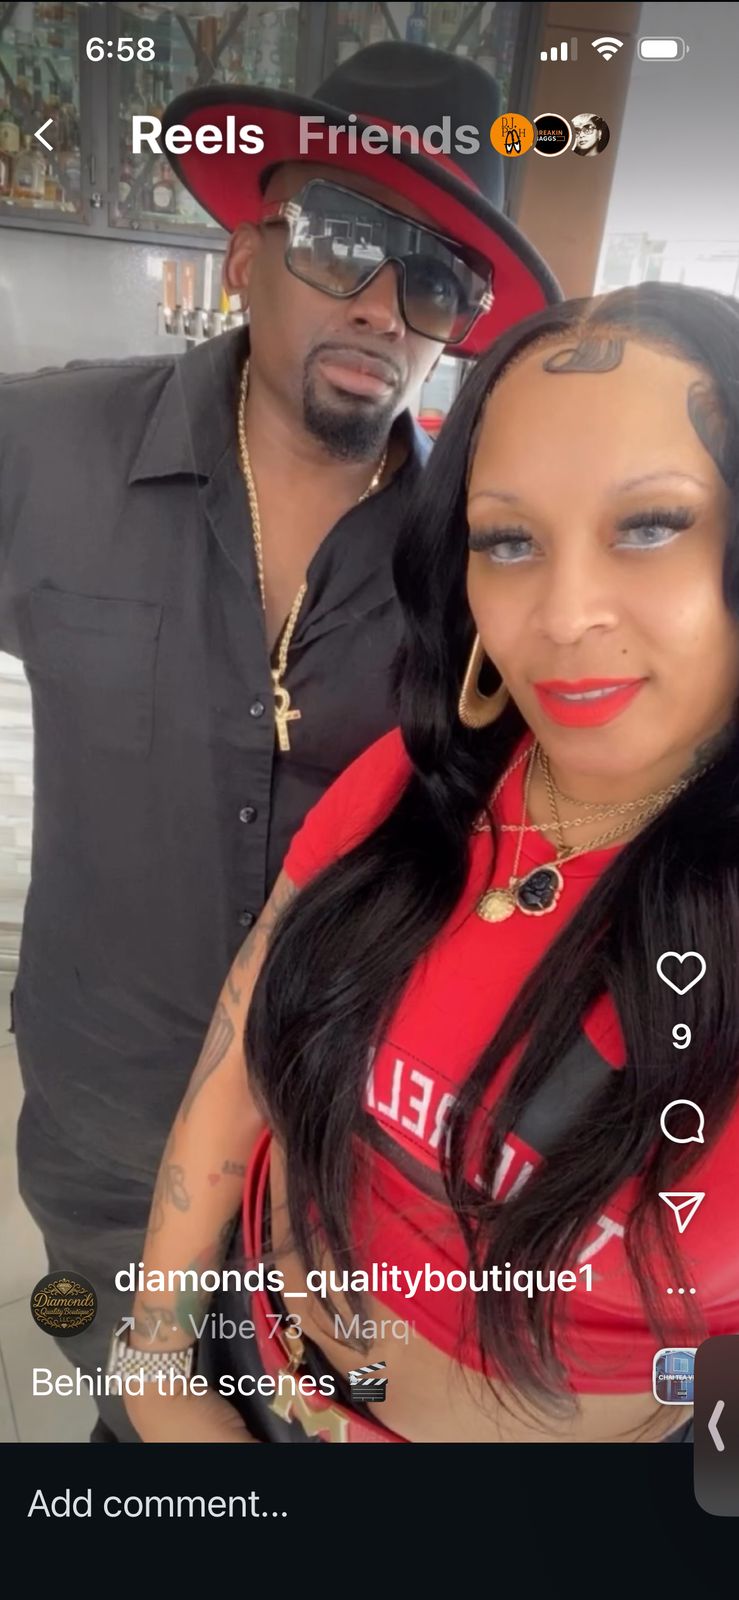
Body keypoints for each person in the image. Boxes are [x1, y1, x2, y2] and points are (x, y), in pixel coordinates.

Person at [0, 42, 558, 1443]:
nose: (380, 303)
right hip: (103, 1128)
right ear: (245, 250)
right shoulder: (44, 450)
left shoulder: (484, 558)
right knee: (143, 1432)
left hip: (348, 1167)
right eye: (341, 237)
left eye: (434, 277)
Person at [121, 279, 739, 1446]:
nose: (563, 612)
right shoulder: (407, 791)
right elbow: (239, 1064)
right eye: (508, 540)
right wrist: (156, 1355)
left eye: (651, 524)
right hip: (234, 1371)